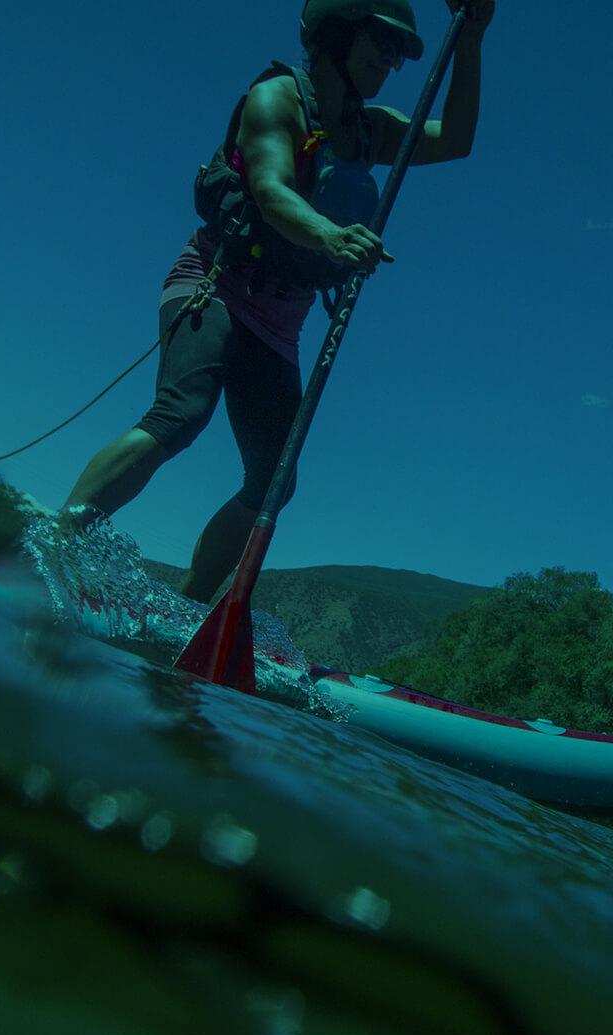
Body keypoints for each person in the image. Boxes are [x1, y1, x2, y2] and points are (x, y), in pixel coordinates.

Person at [61, 0, 493, 602]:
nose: (392, 61)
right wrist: (332, 235)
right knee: (181, 414)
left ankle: (184, 608)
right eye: (383, 43)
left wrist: (470, 40)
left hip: (278, 324)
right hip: (215, 284)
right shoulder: (276, 99)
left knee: (273, 483)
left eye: (401, 52)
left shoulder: (375, 130)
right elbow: (269, 191)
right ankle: (59, 546)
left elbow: (459, 140)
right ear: (337, 33)